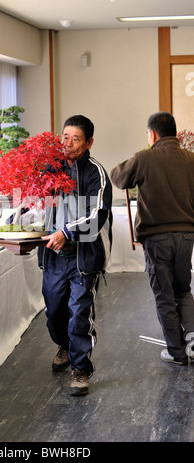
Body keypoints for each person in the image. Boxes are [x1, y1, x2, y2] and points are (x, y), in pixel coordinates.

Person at [110, 111, 194, 365]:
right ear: (175, 134)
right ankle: (192, 335)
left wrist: (138, 159)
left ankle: (177, 353)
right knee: (184, 289)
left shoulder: (145, 158)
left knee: (164, 294)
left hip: (157, 238)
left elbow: (117, 177)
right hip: (187, 235)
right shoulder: (191, 159)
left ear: (153, 133)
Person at [38, 115, 113, 396]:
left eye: (75, 138)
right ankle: (65, 346)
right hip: (54, 257)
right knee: (54, 310)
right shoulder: (49, 170)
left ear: (89, 142)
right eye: (65, 137)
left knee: (79, 312)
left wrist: (66, 232)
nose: (67, 144)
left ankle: (80, 368)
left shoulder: (95, 172)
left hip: (83, 257)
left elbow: (98, 214)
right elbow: (33, 203)